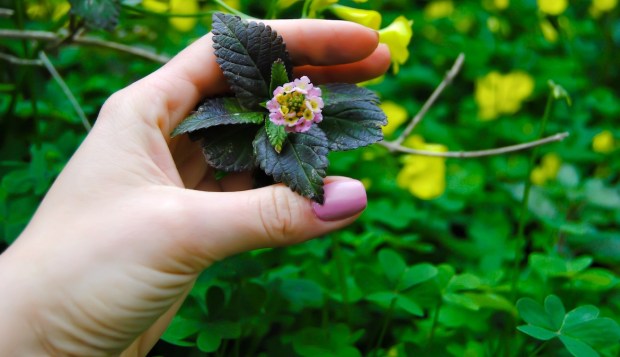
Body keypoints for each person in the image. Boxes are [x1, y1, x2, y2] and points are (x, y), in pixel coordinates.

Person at [0, 19, 391, 356]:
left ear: (304, 103)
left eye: (299, 106)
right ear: (284, 100)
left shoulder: (296, 113)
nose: (295, 108)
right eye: (292, 105)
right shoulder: (268, 116)